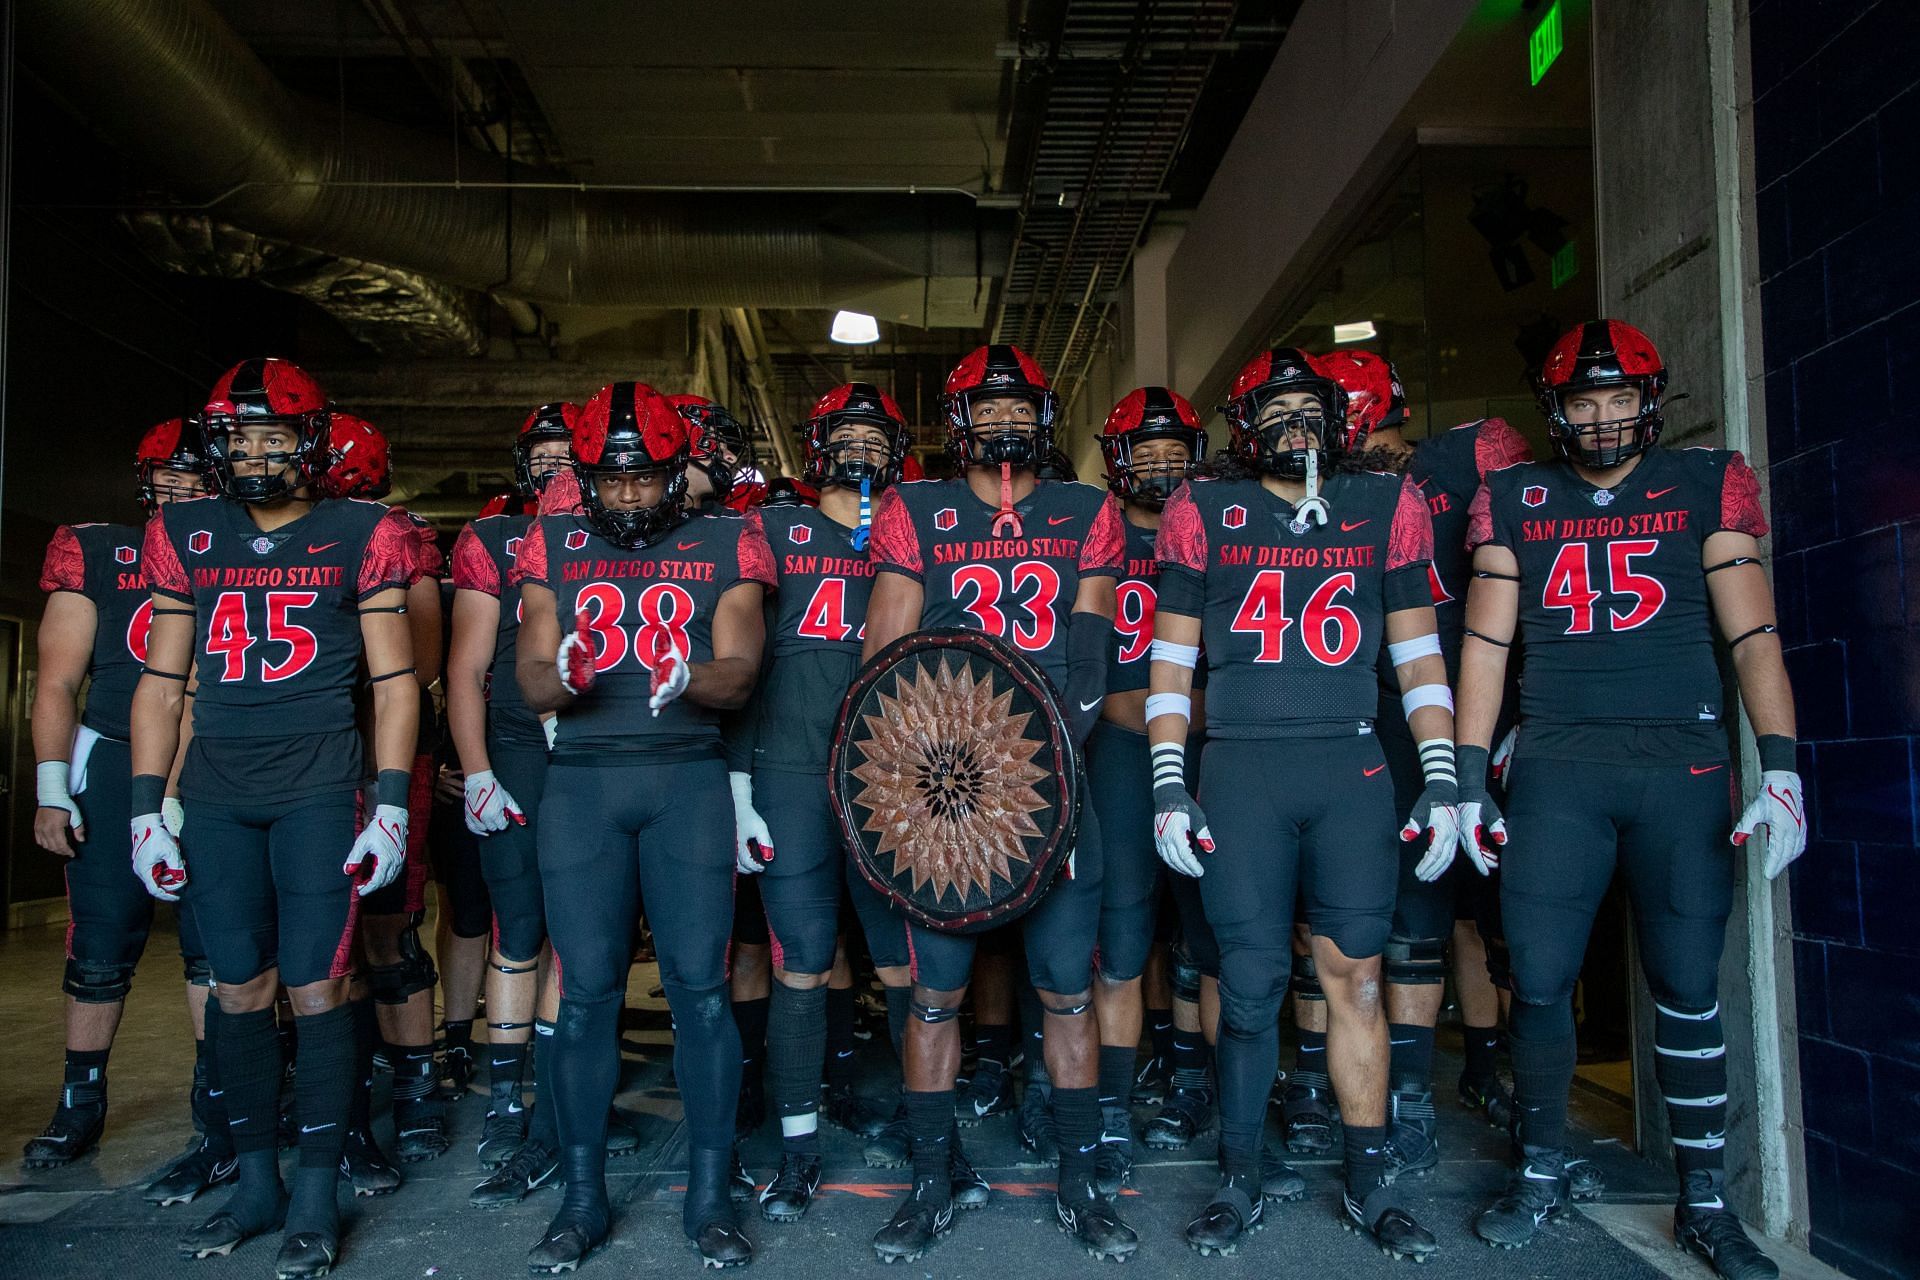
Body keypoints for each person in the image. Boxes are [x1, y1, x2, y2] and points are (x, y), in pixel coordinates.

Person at [1458, 320, 1802, 1280]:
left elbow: (1753, 635)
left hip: (1680, 765)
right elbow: (1483, 646)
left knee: (1689, 986)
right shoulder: (1516, 497)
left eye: (1617, 399)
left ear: (1648, 402)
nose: (1603, 418)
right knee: (1538, 975)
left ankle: (1704, 1201)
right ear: (1556, 411)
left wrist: (1779, 761)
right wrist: (1465, 774)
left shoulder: (1703, 482)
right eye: (1584, 401)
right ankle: (1538, 1167)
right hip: (1561, 763)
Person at [1148, 346, 1451, 1261]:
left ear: (1339, 417)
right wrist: (1169, 778)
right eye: (1272, 408)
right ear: (1244, 425)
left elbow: (1417, 653)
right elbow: (1171, 659)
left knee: (1357, 979)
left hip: (1350, 767)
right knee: (1247, 986)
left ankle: (1368, 1182)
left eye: (1306, 406)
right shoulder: (1200, 509)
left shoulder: (1388, 504)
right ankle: (1239, 1178)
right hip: (1243, 769)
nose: (1292, 422)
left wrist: (1440, 770)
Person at [133, 357, 418, 1277]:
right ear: (216, 444)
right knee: (235, 988)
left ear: (311, 442)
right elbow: (162, 683)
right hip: (217, 791)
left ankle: (314, 1193)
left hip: (316, 788)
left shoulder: (362, 529)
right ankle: (256, 1181)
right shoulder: (183, 530)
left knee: (316, 985)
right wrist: (148, 808)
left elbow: (395, 680)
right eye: (240, 435)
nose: (256, 453)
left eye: (274, 435)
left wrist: (391, 805)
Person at [863, 344, 1135, 1263]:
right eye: (988, 404)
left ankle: (1080, 1182)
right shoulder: (913, 511)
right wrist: (934, 791)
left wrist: (1038, 780)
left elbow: (1093, 668)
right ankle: (931, 1186)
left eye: (1020, 405)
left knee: (1067, 993)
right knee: (934, 999)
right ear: (957, 419)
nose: (1006, 419)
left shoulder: (1089, 511)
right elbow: (881, 673)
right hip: (943, 797)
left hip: (1055, 784)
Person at [512, 381, 773, 1272]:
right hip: (583, 782)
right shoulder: (550, 541)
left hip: (685, 779)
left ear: (676, 470)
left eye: (643, 479)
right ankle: (581, 1201)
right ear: (585, 477)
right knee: (585, 994)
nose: (627, 496)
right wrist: (570, 672)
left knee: (701, 991)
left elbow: (740, 674)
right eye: (610, 480)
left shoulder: (728, 536)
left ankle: (710, 1195)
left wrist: (686, 677)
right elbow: (532, 682)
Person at [1312, 349, 1534, 1180]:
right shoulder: (1327, 494)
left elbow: (1535, 575)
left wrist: (1529, 706)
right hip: (1390, 717)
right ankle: (1409, 1095)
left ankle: (1490, 1069)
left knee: (1499, 910)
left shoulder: (1471, 458)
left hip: (1486, 709)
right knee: (1418, 913)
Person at [725, 382, 921, 1223]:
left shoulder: (918, 526)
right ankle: (798, 1146)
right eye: (846, 432)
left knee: (904, 961)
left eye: (876, 434)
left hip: (895, 777)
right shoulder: (768, 528)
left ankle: (930, 1131)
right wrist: (738, 784)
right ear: (816, 441)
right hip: (793, 769)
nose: (863, 447)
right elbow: (738, 663)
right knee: (799, 959)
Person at [26, 418, 220, 1191]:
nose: (174, 485)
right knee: (101, 938)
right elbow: (56, 679)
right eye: (162, 473)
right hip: (108, 757)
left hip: (209, 760)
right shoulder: (101, 548)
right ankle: (80, 1100)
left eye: (190, 473)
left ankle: (218, 1105)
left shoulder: (232, 551)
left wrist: (172, 793)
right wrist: (50, 786)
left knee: (215, 944)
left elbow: (203, 688)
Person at [1085, 387, 1216, 1195]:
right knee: (1124, 936)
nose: (1163, 468)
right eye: (1147, 451)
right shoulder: (1095, 533)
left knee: (1209, 936)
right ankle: (1109, 1104)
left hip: (1211, 754)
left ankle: (1197, 1083)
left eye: (1177, 452)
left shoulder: (1218, 527)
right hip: (1121, 758)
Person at [447, 404, 578, 1207]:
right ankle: (506, 1093)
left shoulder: (618, 535)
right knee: (518, 927)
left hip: (594, 748)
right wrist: (476, 769)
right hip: (521, 750)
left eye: (572, 454)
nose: (558, 468)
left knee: (582, 932)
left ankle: (562, 1096)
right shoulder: (492, 541)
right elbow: (464, 670)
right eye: (548, 454)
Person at [322, 411, 451, 1168]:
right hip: (302, 756)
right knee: (310, 944)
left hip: (383, 750)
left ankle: (414, 1087)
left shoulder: (396, 538)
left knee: (386, 929)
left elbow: (423, 662)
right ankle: (326, 1089)